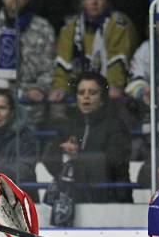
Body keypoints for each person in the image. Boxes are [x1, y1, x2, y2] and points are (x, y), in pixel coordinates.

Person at [42, 71, 132, 225]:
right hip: (73, 203)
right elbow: (48, 159)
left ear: (102, 99)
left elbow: (115, 161)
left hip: (111, 203)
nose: (86, 97)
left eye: (92, 92)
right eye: (81, 92)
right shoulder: (69, 125)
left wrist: (79, 157)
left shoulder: (116, 125)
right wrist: (63, 154)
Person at [50, 0, 138, 103]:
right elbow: (63, 64)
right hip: (77, 90)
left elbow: (118, 61)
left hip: (107, 90)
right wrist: (60, 89)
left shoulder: (118, 24)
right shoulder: (70, 26)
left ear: (108, 2)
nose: (94, 2)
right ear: (82, 2)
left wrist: (114, 87)